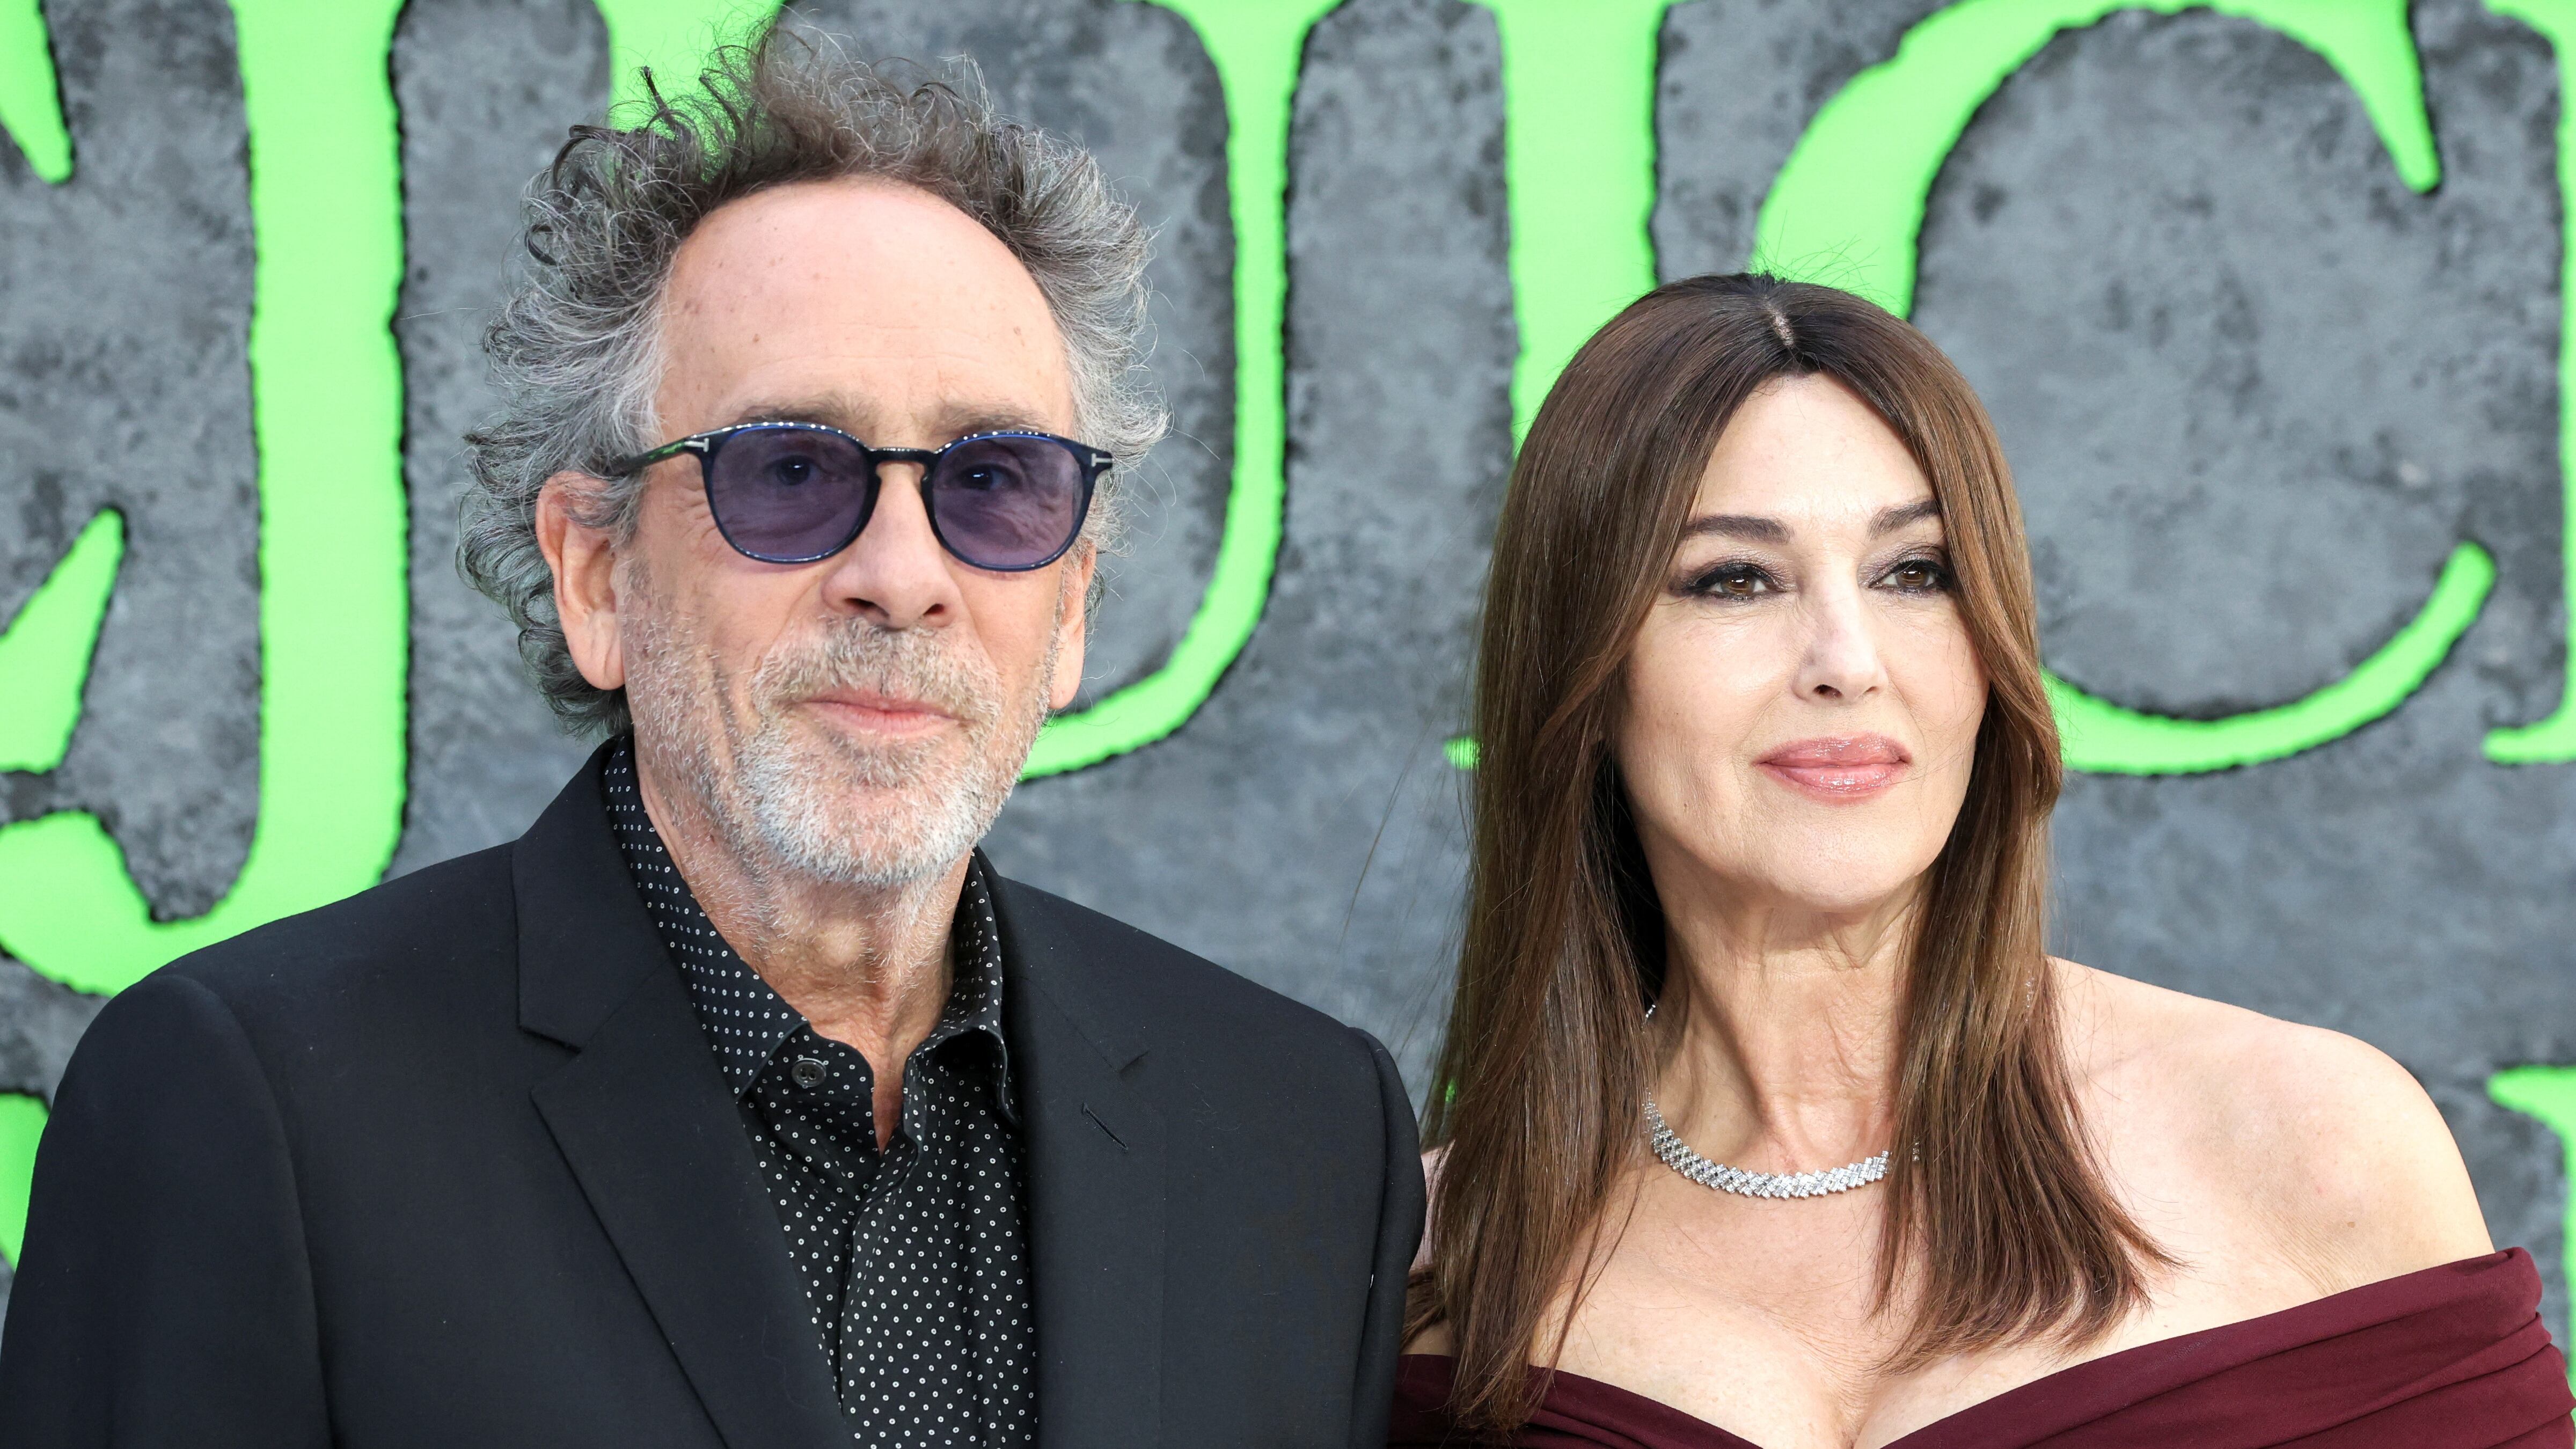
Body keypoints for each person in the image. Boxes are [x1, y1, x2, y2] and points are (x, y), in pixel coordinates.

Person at [0, 26, 1421, 1449]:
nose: (903, 575)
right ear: (596, 574)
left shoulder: (1303, 1137)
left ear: (1072, 610)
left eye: (994, 484)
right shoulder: (244, 1107)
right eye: (790, 470)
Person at [1393, 274, 2571, 1448]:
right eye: (1734, 580)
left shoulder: (2309, 1141)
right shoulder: (1431, 1261)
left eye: (1916, 572)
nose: (1848, 661)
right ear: (1588, 673)